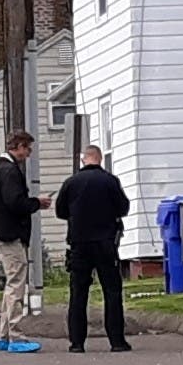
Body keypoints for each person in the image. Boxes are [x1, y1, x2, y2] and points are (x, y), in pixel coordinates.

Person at [55, 145, 132, 353]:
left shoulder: (71, 183)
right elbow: (123, 207)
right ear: (99, 159)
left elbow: (60, 211)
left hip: (79, 244)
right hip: (105, 243)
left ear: (83, 160)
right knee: (112, 291)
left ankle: (77, 343)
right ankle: (117, 341)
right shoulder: (109, 181)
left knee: (78, 293)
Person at [0, 130, 52, 353]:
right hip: (11, 232)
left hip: (1, 230)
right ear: (19, 146)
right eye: (28, 148)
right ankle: (16, 335)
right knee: (16, 283)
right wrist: (36, 202)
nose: (29, 153)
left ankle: (4, 335)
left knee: (11, 283)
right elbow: (15, 203)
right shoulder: (9, 171)